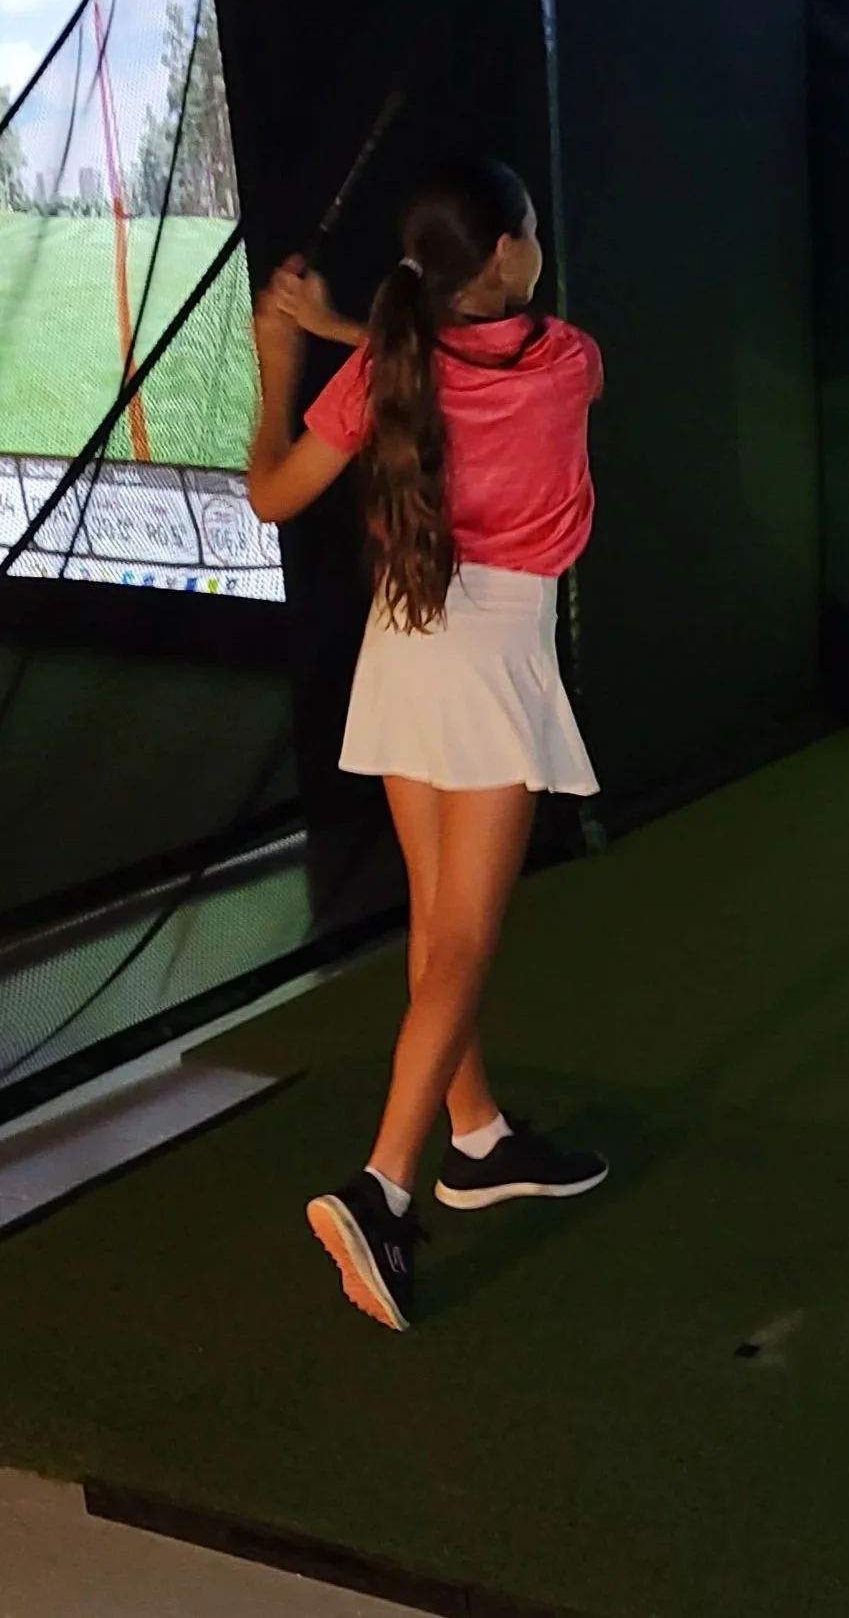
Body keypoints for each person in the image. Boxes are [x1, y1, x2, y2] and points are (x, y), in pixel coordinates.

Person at [247, 156, 607, 1332]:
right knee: (460, 934)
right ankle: (384, 1191)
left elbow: (273, 493)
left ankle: (478, 1139)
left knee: (433, 921)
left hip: (401, 645)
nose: (539, 248)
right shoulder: (565, 359)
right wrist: (342, 331)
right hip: (493, 652)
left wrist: (282, 357)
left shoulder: (378, 379)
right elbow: (449, 365)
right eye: (532, 233)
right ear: (503, 255)